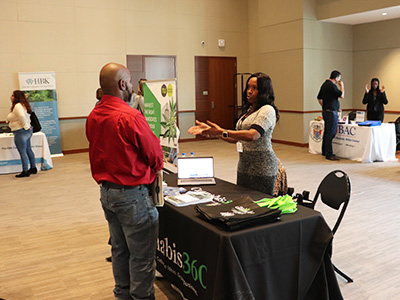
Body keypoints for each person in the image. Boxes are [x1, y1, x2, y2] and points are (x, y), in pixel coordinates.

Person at [86, 63, 163, 300]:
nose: (131, 86)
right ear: (122, 84)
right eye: (130, 82)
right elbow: (155, 155)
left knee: (119, 250)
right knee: (141, 256)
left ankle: (122, 294)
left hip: (107, 194)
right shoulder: (130, 117)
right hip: (133, 197)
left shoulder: (93, 116)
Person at [188, 72, 279, 195]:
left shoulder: (267, 110)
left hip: (263, 167)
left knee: (259, 205)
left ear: (264, 91)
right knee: (243, 202)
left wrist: (221, 131)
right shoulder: (249, 110)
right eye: (248, 87)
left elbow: (252, 135)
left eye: (255, 88)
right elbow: (236, 138)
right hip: (244, 165)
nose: (249, 91)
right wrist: (216, 133)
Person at [6, 90, 37, 177]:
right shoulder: (22, 105)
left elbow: (22, 116)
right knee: (28, 150)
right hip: (25, 131)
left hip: (21, 131)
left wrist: (25, 126)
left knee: (23, 152)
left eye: (12, 95)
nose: (10, 97)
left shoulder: (17, 106)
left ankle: (25, 170)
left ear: (16, 97)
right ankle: (33, 168)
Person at [317, 70, 344, 161]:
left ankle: (325, 151)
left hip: (325, 111)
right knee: (331, 133)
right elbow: (341, 95)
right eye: (339, 78)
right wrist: (342, 86)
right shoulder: (332, 86)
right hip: (331, 112)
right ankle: (329, 154)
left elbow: (319, 98)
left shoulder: (324, 84)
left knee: (326, 132)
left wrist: (325, 107)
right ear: (336, 78)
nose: (339, 80)